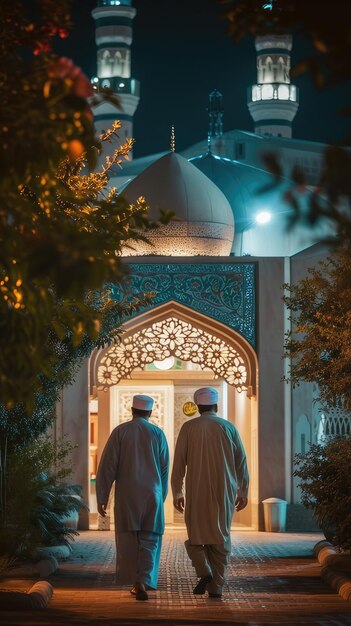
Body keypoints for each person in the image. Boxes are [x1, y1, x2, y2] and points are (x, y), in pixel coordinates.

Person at [171, 386, 249, 598]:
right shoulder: (228, 427)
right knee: (220, 538)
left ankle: (204, 572)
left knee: (196, 537)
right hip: (225, 490)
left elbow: (179, 464)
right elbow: (241, 461)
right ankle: (217, 586)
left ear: (198, 407)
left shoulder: (188, 427)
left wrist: (177, 492)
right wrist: (243, 490)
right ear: (216, 405)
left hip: (196, 490)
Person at [96, 394, 169, 601]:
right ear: (150, 412)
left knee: (129, 539)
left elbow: (108, 466)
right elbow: (164, 470)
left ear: (132, 411)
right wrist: (161, 496)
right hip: (152, 495)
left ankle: (136, 583)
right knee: (150, 538)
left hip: (128, 495)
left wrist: (103, 496)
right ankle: (144, 581)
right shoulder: (157, 433)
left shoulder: (120, 432)